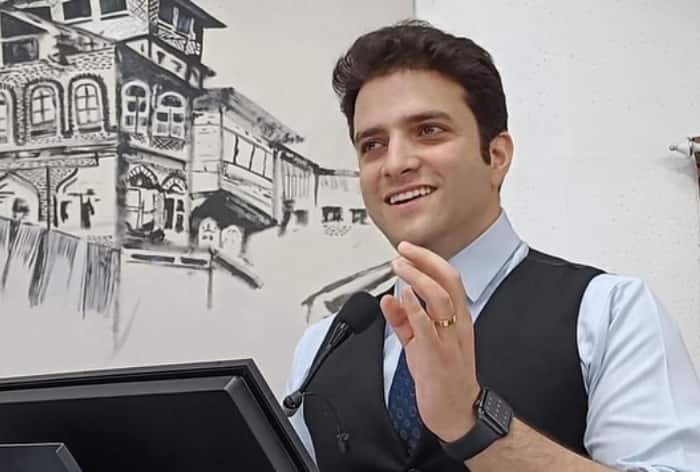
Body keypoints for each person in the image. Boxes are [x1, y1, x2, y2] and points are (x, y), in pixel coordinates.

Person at [286, 20, 700, 472]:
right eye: (373, 144)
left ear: (497, 156)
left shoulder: (610, 313)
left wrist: (473, 424)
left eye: (429, 130)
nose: (396, 163)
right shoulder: (321, 347)